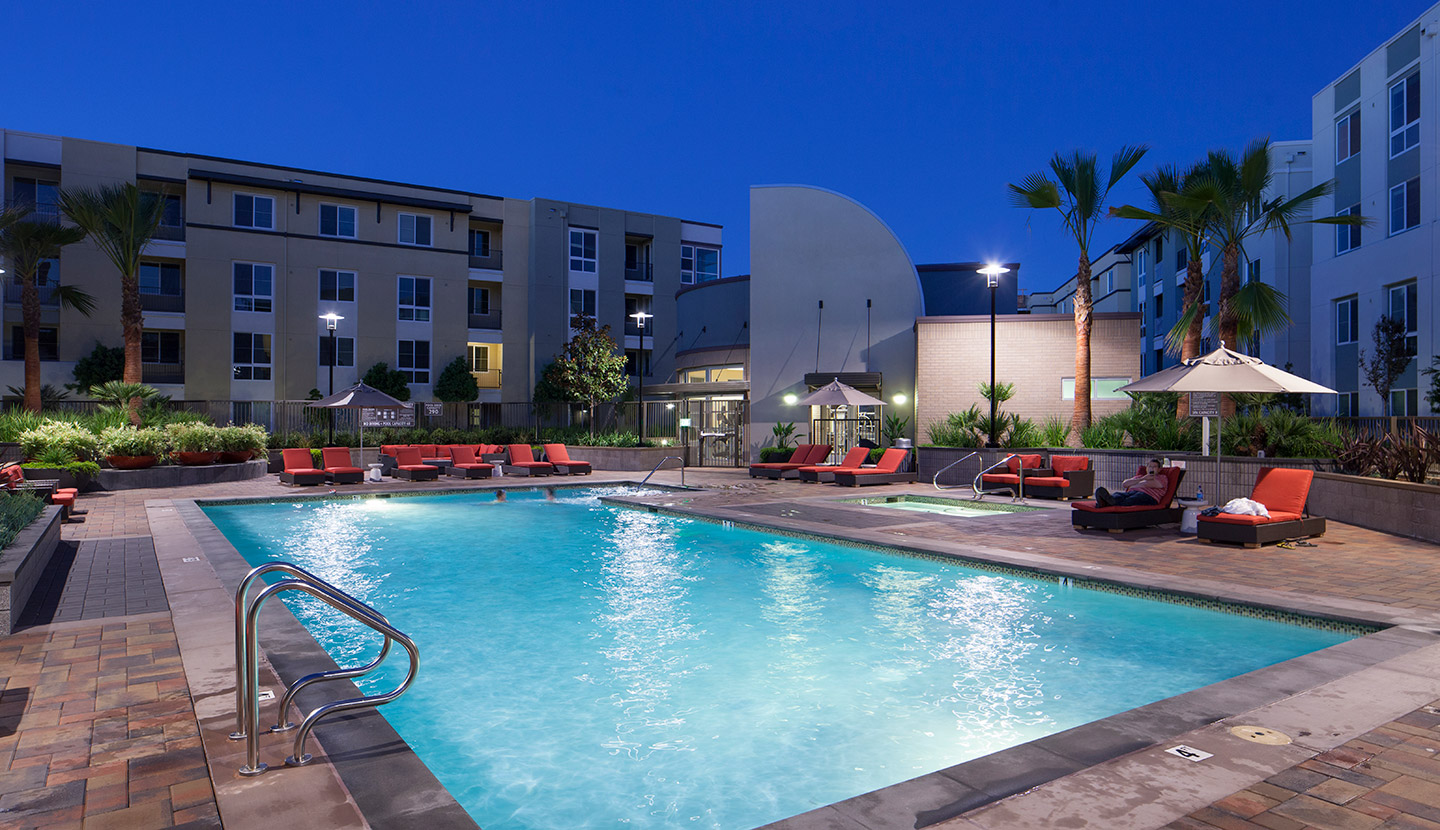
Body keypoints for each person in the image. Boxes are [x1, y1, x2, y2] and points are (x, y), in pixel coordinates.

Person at [1094, 459, 1167, 507]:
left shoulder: (1161, 477)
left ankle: (1106, 504)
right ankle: (1109, 501)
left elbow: (1152, 484)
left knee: (1132, 499)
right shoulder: (1140, 477)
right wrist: (1142, 479)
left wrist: (1134, 484)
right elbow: (1125, 484)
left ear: (1159, 469)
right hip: (1132, 492)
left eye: (1154, 467)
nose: (1151, 468)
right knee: (1118, 495)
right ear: (1146, 468)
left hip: (1149, 496)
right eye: (1149, 466)